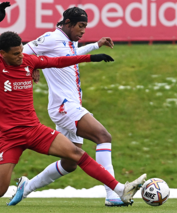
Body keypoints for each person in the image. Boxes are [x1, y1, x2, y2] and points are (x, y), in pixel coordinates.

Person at [0, 2, 146, 206]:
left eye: (21, 51)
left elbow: (58, 61)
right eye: (16, 54)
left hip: (34, 130)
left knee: (75, 155)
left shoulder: (29, 61)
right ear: (2, 53)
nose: (21, 56)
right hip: (10, 136)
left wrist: (92, 56)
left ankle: (119, 190)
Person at [21, 7, 135, 207]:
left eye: (85, 27)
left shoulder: (68, 42)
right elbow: (22, 52)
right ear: (67, 23)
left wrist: (95, 45)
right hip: (64, 107)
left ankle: (26, 187)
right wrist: (34, 66)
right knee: (103, 136)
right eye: (80, 26)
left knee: (70, 163)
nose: (83, 31)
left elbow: (71, 55)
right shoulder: (50, 38)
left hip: (69, 106)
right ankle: (113, 194)